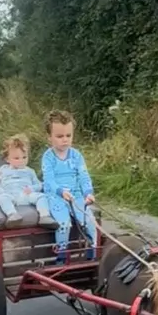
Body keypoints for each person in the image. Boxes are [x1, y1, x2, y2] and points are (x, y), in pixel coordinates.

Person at [41, 109, 97, 261]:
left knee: (89, 221)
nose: (64, 140)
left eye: (68, 135)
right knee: (64, 224)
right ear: (49, 137)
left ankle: (92, 253)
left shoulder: (76, 155)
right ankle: (62, 256)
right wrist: (60, 192)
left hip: (76, 195)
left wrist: (88, 193)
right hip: (56, 196)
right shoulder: (48, 157)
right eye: (59, 136)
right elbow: (49, 180)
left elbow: (84, 175)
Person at [0, 133, 52, 224]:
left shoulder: (29, 171)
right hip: (10, 194)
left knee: (41, 197)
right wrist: (1, 191)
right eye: (16, 158)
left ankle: (44, 216)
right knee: (2, 198)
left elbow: (38, 184)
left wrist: (32, 188)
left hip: (25, 195)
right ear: (7, 159)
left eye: (24, 157)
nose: (21, 161)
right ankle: (12, 214)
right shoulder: (3, 170)